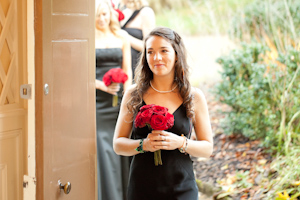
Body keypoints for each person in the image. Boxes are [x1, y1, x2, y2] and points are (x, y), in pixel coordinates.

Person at [113, 27, 214, 200]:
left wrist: (181, 142)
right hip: (142, 189)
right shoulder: (133, 94)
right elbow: (118, 144)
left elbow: (207, 149)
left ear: (176, 54)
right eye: (150, 52)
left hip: (182, 188)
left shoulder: (193, 96)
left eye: (163, 51)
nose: (156, 58)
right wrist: (143, 145)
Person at [95, 0, 132, 199]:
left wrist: (128, 101)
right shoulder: (87, 39)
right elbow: (80, 73)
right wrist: (101, 85)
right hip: (97, 102)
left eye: (104, 14)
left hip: (119, 102)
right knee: (104, 147)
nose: (101, 19)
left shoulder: (122, 37)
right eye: (97, 15)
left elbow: (128, 71)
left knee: (121, 144)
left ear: (110, 14)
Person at [119, 0, 155, 78]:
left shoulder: (146, 12)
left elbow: (149, 47)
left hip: (135, 66)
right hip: (121, 65)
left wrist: (125, 37)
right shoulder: (122, 11)